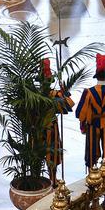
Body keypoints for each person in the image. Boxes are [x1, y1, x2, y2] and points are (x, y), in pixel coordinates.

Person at [42, 58, 74, 186]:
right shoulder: (54, 94)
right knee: (52, 156)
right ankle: (53, 180)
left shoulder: (34, 93)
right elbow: (69, 104)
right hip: (50, 127)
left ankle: (49, 181)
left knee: (46, 155)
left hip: (40, 128)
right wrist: (63, 91)